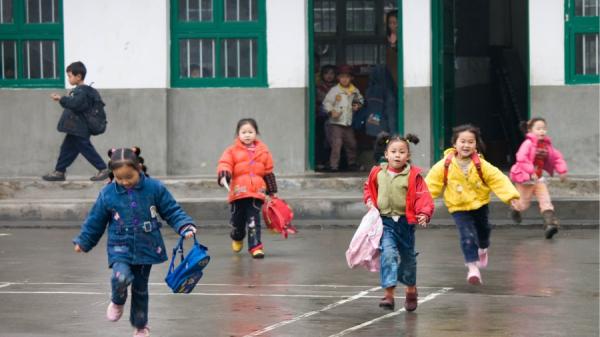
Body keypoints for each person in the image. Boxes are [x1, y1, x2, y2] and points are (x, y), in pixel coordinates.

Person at [73, 147, 197, 337]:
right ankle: (117, 300)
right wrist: (84, 241)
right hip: (119, 245)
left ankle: (140, 325)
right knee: (120, 277)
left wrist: (184, 226)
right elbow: (95, 220)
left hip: (147, 246)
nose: (124, 182)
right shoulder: (108, 193)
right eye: (119, 178)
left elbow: (171, 210)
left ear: (139, 168)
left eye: (128, 177)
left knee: (140, 288)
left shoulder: (155, 188)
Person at [425, 124, 520, 285]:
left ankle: (483, 249)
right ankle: (472, 268)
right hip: (458, 206)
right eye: (462, 141)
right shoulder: (444, 165)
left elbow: (498, 180)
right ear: (454, 144)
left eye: (470, 142)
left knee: (484, 231)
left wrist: (511, 197)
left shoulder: (481, 164)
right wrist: (419, 203)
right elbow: (430, 184)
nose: (466, 145)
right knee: (467, 236)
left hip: (479, 204)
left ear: (476, 144)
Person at [363, 133, 434, 312]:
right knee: (388, 254)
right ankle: (389, 294)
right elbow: (368, 189)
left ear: (407, 156)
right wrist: (370, 201)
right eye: (393, 151)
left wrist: (424, 213)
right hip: (385, 223)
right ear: (386, 154)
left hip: (406, 223)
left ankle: (411, 290)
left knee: (408, 259)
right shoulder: (377, 173)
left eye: (402, 152)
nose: (397, 155)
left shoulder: (414, 176)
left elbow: (423, 196)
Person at [217, 118, 277, 259]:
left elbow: (268, 171)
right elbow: (224, 164)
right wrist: (224, 174)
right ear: (238, 134)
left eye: (250, 132)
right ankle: (237, 237)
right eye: (244, 132)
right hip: (238, 192)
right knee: (237, 221)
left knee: (253, 220)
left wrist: (272, 191)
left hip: (256, 193)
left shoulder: (264, 151)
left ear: (256, 133)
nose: (247, 135)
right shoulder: (231, 151)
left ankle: (256, 247)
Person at [43, 61, 109, 181]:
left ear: (78, 76)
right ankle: (59, 171)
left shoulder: (81, 91)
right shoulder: (84, 91)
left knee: (85, 148)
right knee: (67, 149)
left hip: (80, 127)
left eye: (69, 76)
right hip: (76, 128)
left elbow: (76, 104)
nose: (68, 79)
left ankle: (103, 169)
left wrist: (61, 98)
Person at [510, 117, 567, 239]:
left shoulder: (547, 145)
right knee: (523, 204)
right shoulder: (528, 144)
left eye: (544, 129)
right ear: (530, 130)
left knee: (546, 201)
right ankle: (516, 208)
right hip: (526, 179)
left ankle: (549, 225)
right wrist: (531, 171)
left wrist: (562, 170)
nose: (542, 131)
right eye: (538, 128)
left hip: (539, 179)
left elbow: (557, 158)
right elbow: (521, 158)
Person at [322, 64, 364, 172]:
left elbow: (360, 99)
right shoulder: (334, 90)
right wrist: (331, 111)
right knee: (336, 144)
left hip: (347, 123)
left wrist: (358, 104)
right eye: (342, 77)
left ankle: (352, 163)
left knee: (352, 143)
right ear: (338, 78)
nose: (344, 79)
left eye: (347, 77)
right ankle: (333, 165)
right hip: (336, 123)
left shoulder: (354, 90)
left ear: (351, 78)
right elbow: (326, 102)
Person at [315, 65, 337, 170]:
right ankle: (320, 161)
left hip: (336, 118)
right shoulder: (318, 87)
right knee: (321, 139)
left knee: (333, 141)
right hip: (321, 117)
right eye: (326, 73)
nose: (329, 76)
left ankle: (331, 162)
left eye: (332, 73)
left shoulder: (338, 87)